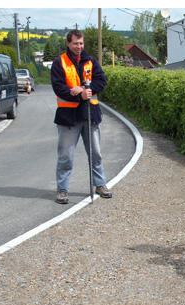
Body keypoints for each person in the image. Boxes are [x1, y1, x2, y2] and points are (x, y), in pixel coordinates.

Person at [51, 29, 112, 204]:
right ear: (68, 44)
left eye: (81, 43)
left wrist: (89, 89)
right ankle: (62, 190)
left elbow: (102, 80)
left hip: (90, 115)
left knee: (96, 154)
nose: (79, 46)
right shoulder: (59, 62)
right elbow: (58, 87)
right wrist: (77, 94)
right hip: (68, 118)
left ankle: (100, 184)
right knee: (65, 157)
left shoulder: (91, 61)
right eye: (76, 43)